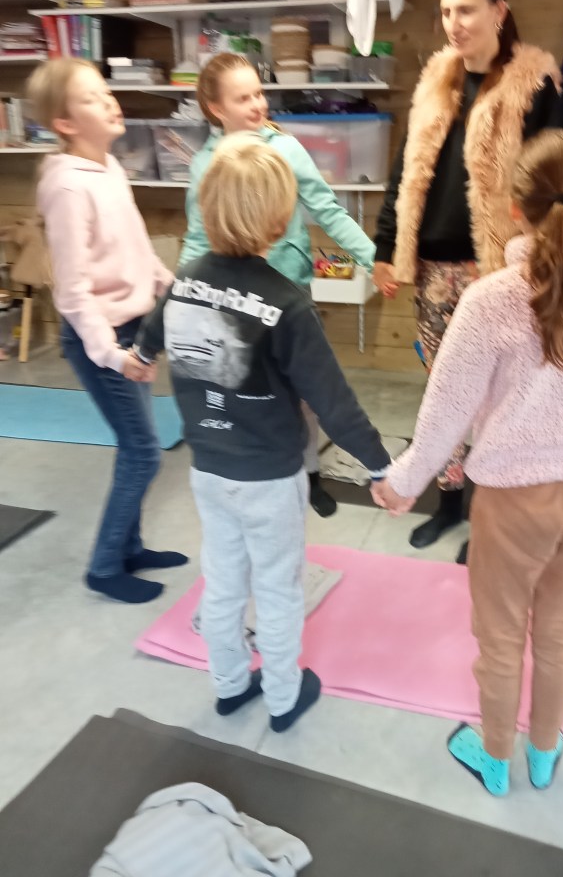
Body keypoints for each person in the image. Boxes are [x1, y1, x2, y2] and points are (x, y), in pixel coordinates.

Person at [373, 130, 563, 794]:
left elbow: (445, 413)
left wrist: (404, 482)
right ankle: (545, 753)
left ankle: (495, 757)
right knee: (559, 634)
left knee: (501, 638)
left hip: (511, 504)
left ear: (513, 208)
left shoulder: (490, 299)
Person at [134, 135, 390, 729]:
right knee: (277, 587)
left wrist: (140, 356)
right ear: (279, 221)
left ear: (207, 207)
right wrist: (381, 466)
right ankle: (281, 695)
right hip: (270, 478)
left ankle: (228, 685)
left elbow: (151, 332)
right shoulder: (286, 304)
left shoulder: (184, 281)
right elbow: (333, 402)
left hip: (209, 470)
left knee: (223, 579)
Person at [373, 0, 563, 557]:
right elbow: (405, 172)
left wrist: (543, 262)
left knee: (499, 402)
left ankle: (490, 514)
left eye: (465, 9)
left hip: (501, 272)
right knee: (444, 395)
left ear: (499, 11)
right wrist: (385, 247)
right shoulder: (437, 80)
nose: (453, 23)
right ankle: (449, 504)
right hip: (434, 273)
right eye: (445, 11)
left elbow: (555, 182)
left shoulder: (534, 85)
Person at [180, 52, 376, 518]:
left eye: (259, 93)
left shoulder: (286, 149)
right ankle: (260, 470)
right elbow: (197, 236)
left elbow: (329, 211)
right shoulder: (206, 164)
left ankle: (310, 474)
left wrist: (375, 259)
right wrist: (182, 296)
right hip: (233, 304)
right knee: (252, 390)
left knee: (304, 390)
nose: (257, 105)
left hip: (289, 294)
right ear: (216, 108)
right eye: (243, 98)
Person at [28, 58, 182, 604]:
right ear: (65, 123)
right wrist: (114, 355)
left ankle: (131, 549)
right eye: (92, 98)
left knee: (138, 445)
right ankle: (104, 565)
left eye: (106, 91)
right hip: (103, 339)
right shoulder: (69, 187)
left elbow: (135, 250)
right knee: (143, 452)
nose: (110, 101)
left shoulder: (109, 168)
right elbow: (72, 293)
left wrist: (173, 287)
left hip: (134, 327)